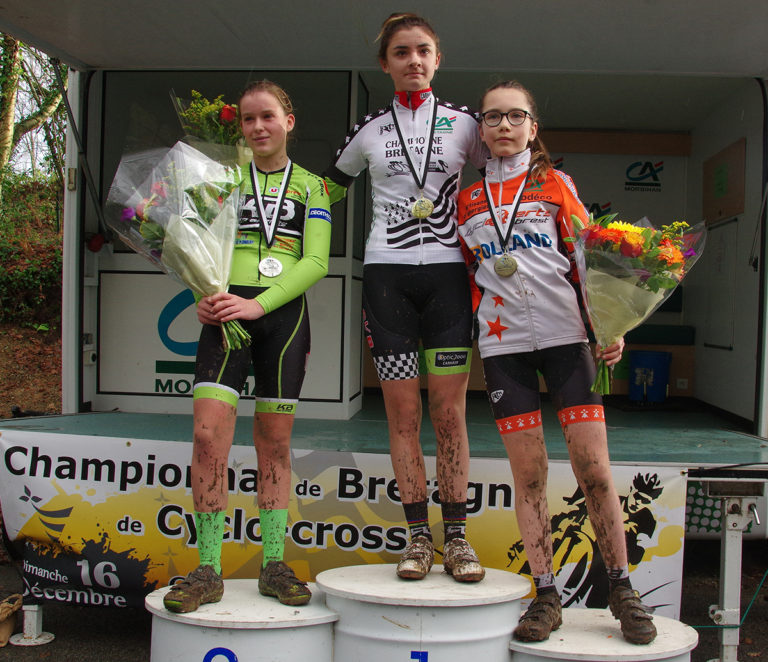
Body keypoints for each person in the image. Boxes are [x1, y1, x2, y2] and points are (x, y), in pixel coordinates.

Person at [456, 80, 656, 644]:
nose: (503, 126)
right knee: (530, 475)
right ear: (480, 129)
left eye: (515, 116)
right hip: (504, 349)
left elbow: (590, 261)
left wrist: (610, 329)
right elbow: (466, 277)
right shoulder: (467, 201)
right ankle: (545, 593)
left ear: (533, 126)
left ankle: (621, 588)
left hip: (567, 341)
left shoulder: (554, 184)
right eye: (492, 117)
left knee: (594, 469)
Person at [324, 12, 488, 582]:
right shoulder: (368, 130)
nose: (413, 60)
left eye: (423, 51)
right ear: (385, 64)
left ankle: (457, 539)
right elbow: (325, 193)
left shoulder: (467, 125)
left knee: (449, 411)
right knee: (402, 413)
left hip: (449, 281)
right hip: (387, 281)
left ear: (438, 59)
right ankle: (418, 538)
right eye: (401, 52)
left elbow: (505, 183)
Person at [163, 79, 332, 613]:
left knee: (274, 443)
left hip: (282, 318)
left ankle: (274, 564)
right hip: (223, 314)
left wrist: (259, 304)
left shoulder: (312, 187)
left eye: (268, 116)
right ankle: (208, 568)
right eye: (248, 119)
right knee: (207, 435)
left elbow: (316, 261)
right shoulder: (220, 178)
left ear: (288, 122)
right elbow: (190, 243)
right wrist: (203, 296)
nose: (258, 127)